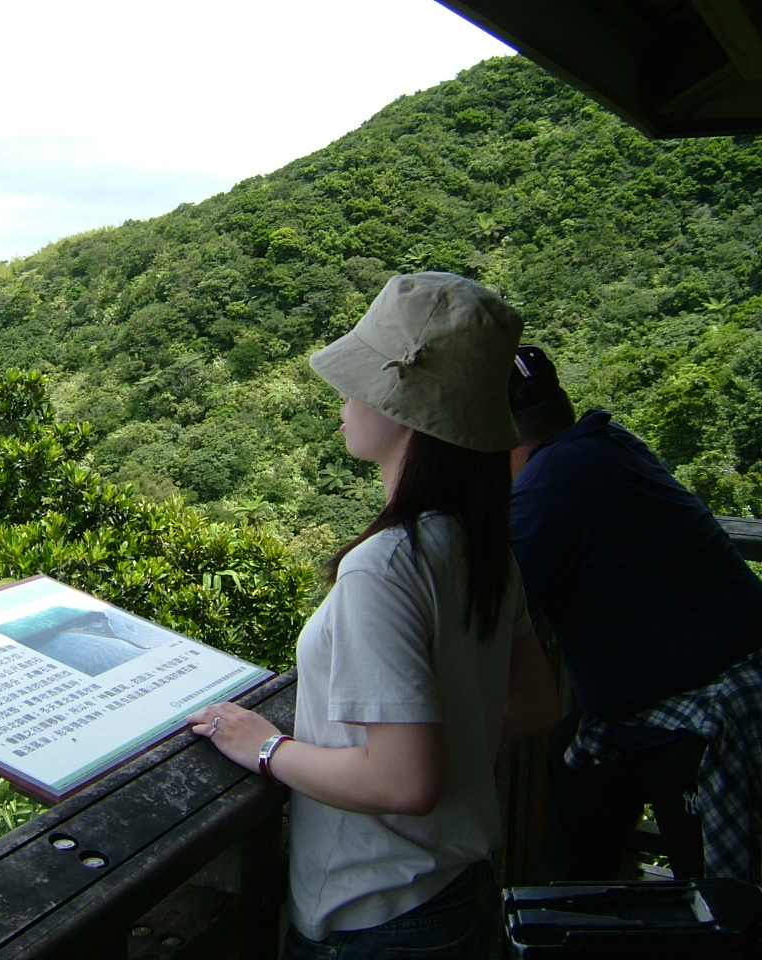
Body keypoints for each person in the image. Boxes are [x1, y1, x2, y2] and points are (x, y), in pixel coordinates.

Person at [188, 272, 558, 960]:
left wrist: (266, 748)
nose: (344, 397)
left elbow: (403, 783)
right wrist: (432, 726)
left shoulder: (385, 566)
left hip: (378, 916)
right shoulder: (479, 543)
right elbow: (536, 705)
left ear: (407, 405)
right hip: (456, 893)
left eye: (361, 379)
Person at [508, 345, 762, 882]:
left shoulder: (550, 483)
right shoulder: (602, 444)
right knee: (573, 776)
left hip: (702, 708)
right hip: (661, 693)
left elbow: (483, 608)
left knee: (722, 899)